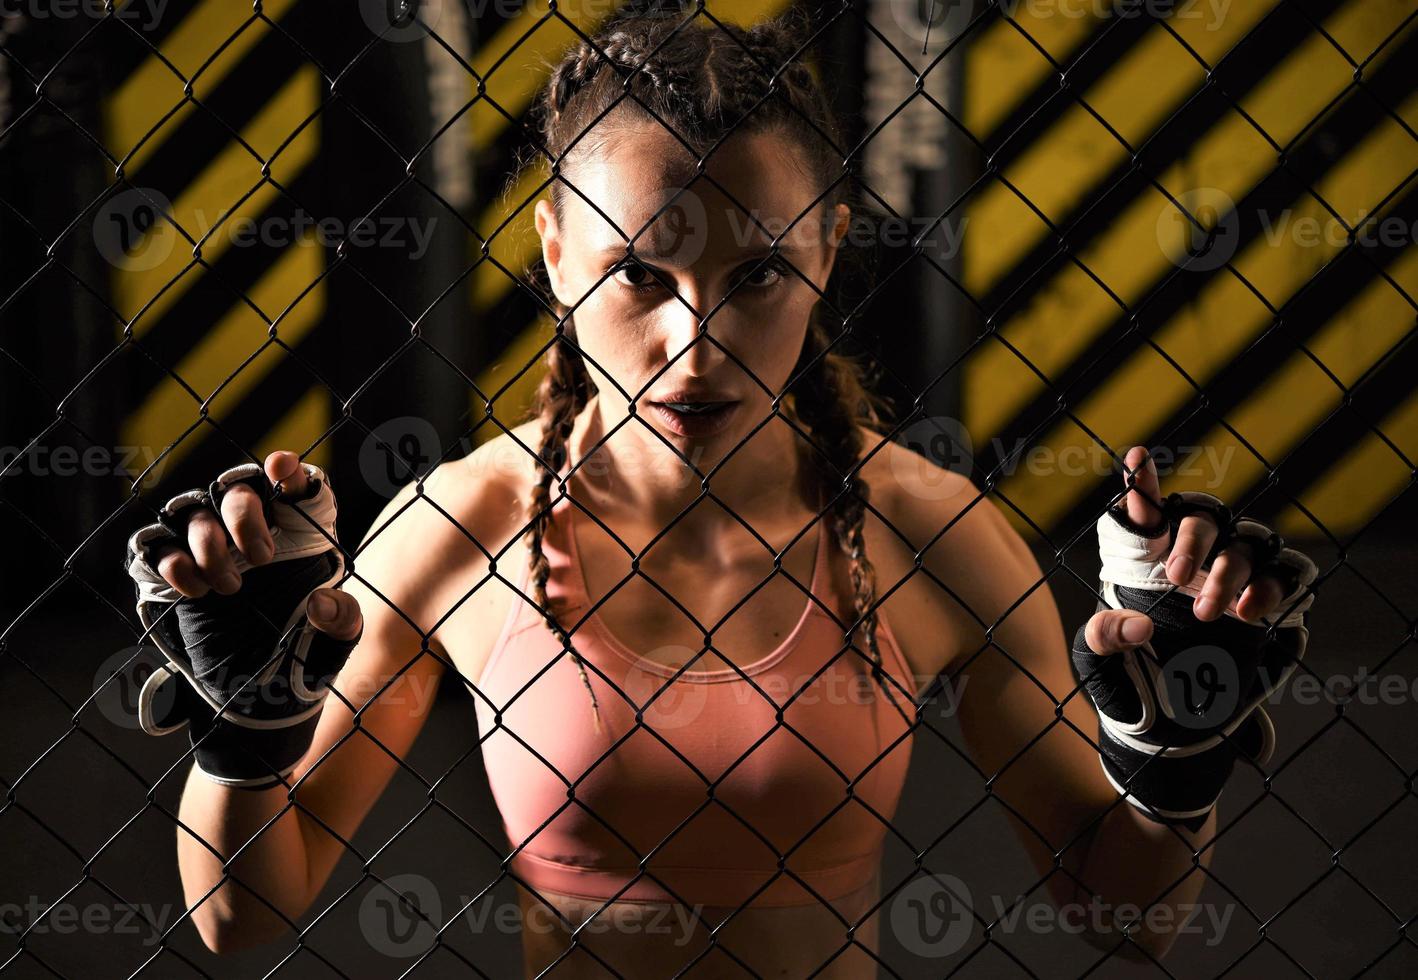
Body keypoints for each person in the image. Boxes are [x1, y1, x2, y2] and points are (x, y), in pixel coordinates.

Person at [121, 11, 1317, 977]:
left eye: (756, 273)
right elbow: (242, 917)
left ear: (830, 251)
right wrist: (245, 742)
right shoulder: (463, 525)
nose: (697, 346)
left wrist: (1170, 769)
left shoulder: (926, 531)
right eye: (638, 270)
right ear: (550, 251)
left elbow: (1126, 913)